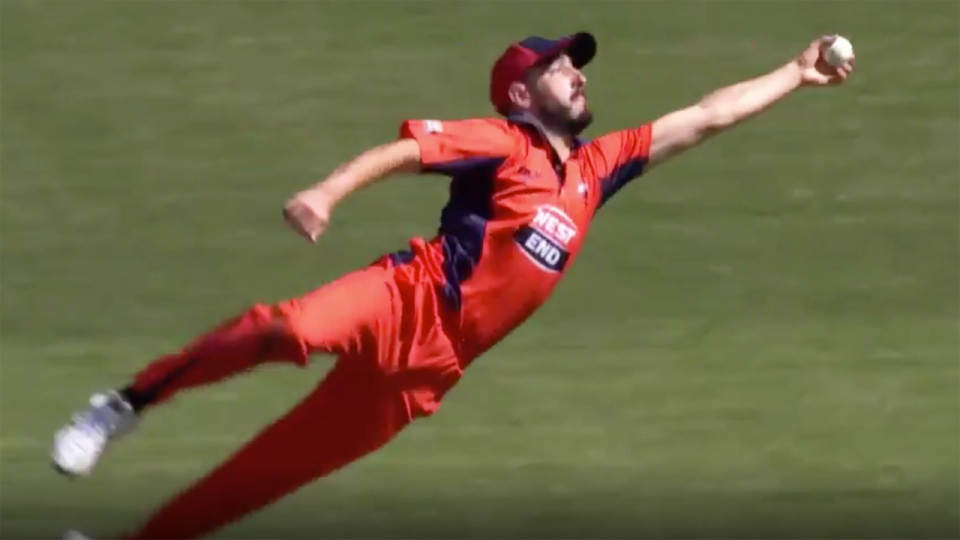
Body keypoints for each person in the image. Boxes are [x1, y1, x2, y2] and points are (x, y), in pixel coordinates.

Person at [53, 31, 855, 540]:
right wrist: (328, 194)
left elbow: (706, 115)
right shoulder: (502, 140)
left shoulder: (598, 168)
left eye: (575, 65)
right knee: (285, 330)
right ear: (519, 91)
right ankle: (124, 404)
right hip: (404, 297)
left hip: (427, 376)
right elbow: (406, 151)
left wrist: (793, 71)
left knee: (260, 477)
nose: (574, 75)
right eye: (556, 67)